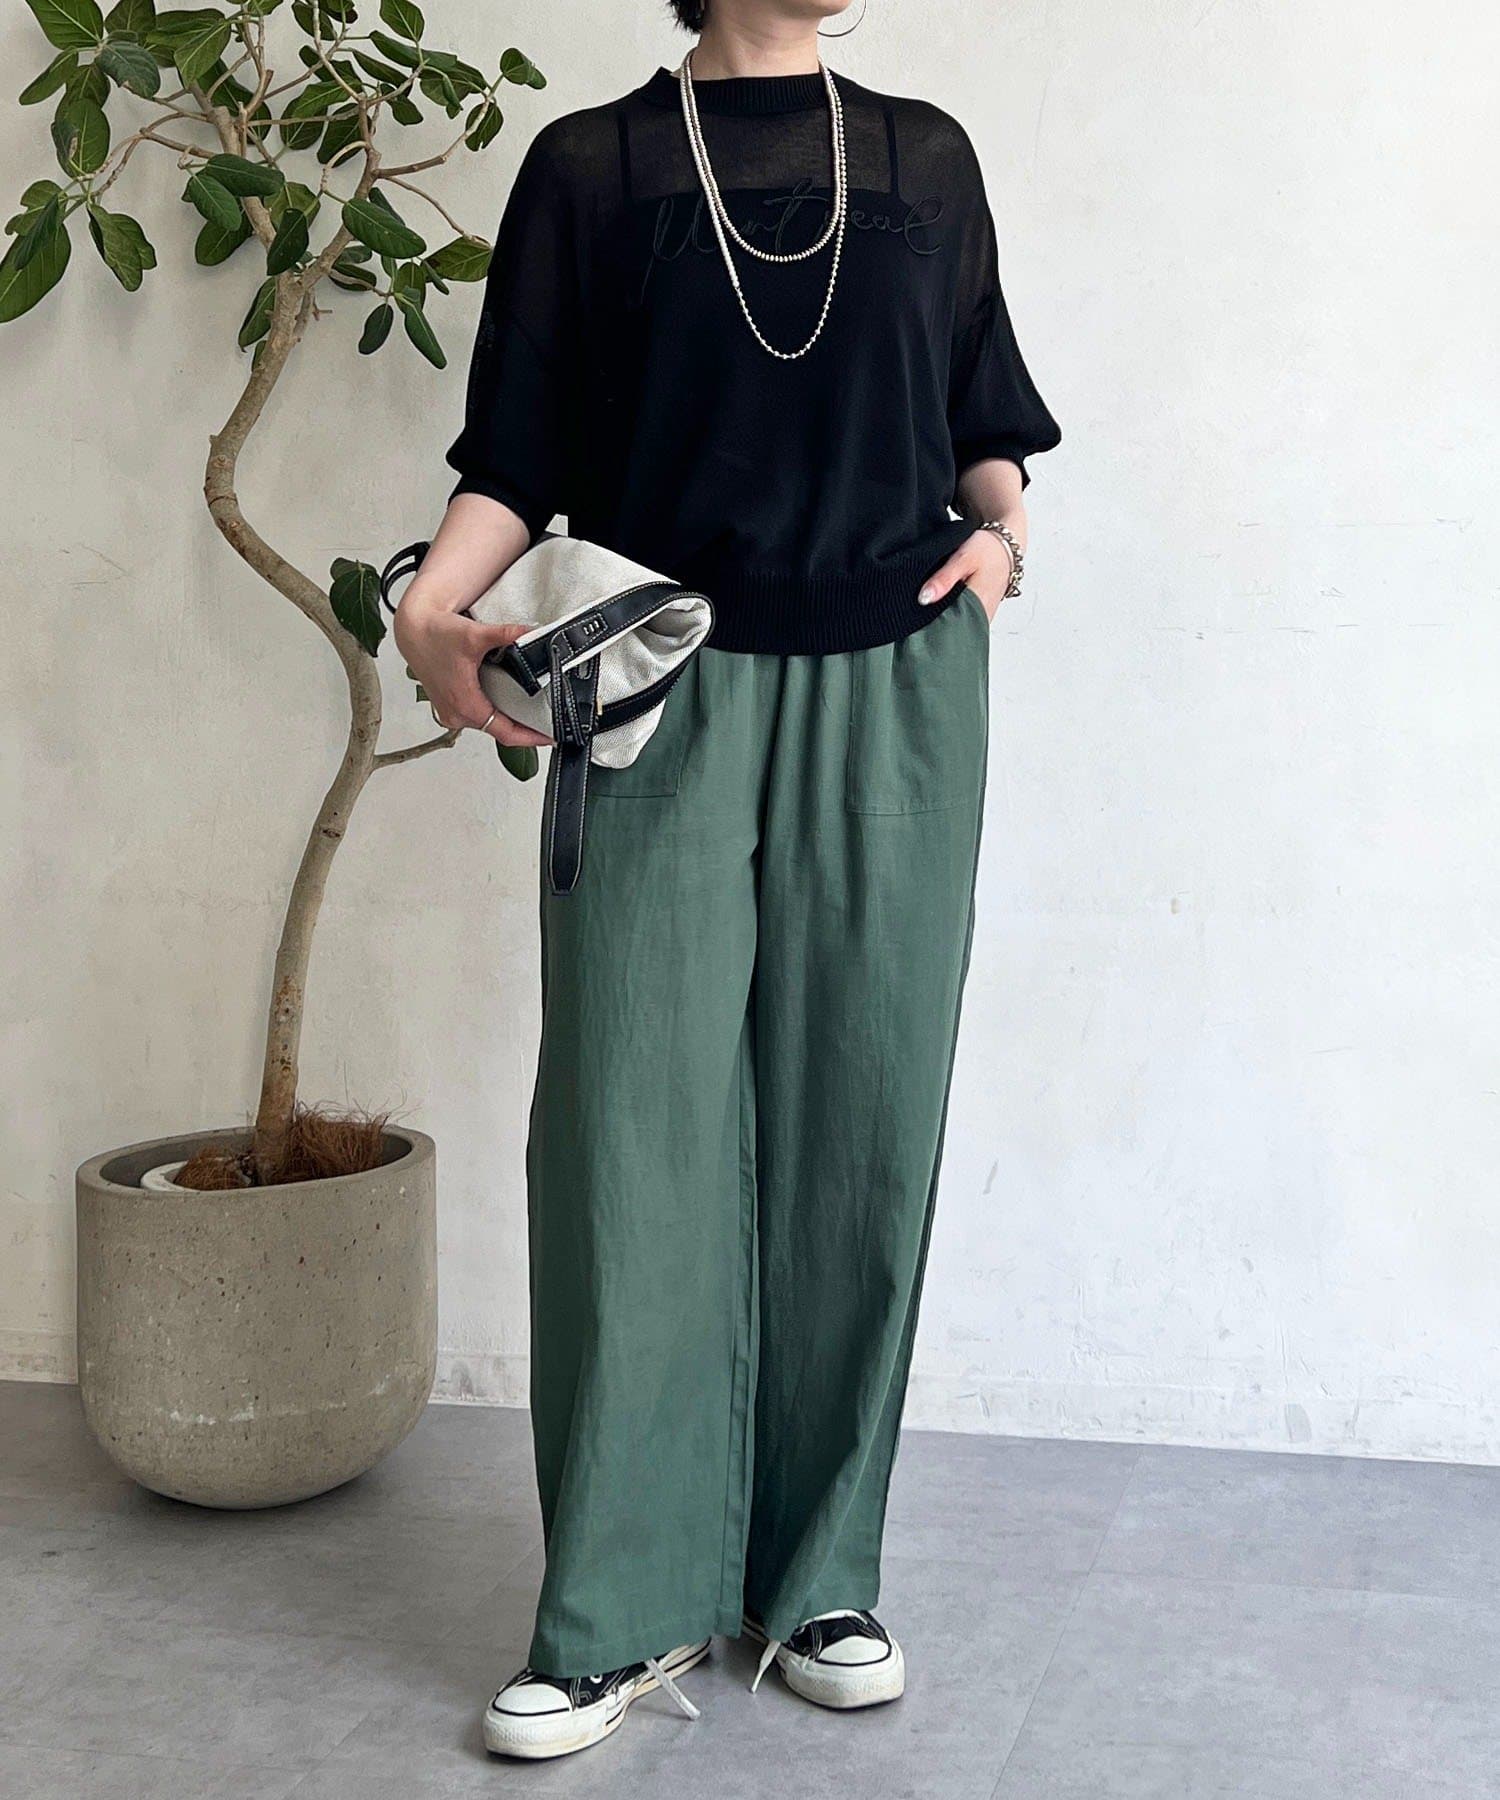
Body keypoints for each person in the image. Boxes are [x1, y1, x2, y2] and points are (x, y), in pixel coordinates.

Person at [395, 0, 1060, 1762]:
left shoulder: (922, 155)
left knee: (865, 1119)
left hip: (897, 683)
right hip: (658, 686)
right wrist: (430, 604)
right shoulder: (593, 166)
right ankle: (615, 1609)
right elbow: (518, 451)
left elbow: (980, 407)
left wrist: (1003, 539)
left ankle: (820, 1577)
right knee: (629, 1131)